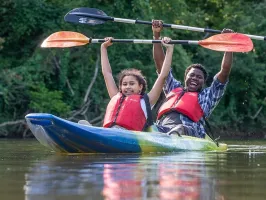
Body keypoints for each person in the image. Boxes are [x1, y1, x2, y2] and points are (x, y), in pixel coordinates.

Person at [152, 20, 233, 138]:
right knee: (147, 125)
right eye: (192, 75)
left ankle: (171, 139)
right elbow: (161, 65)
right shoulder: (174, 88)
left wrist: (228, 44)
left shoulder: (207, 96)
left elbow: (224, 72)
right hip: (163, 128)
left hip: (189, 131)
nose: (194, 78)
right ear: (186, 77)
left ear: (204, 82)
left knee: (179, 128)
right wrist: (156, 35)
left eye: (199, 77)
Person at [101, 37, 174, 131]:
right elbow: (107, 74)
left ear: (140, 87)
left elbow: (163, 76)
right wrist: (103, 48)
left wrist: (169, 50)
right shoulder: (115, 96)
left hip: (131, 136)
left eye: (132, 84)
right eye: (124, 84)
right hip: (110, 131)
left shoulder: (147, 100)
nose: (127, 87)